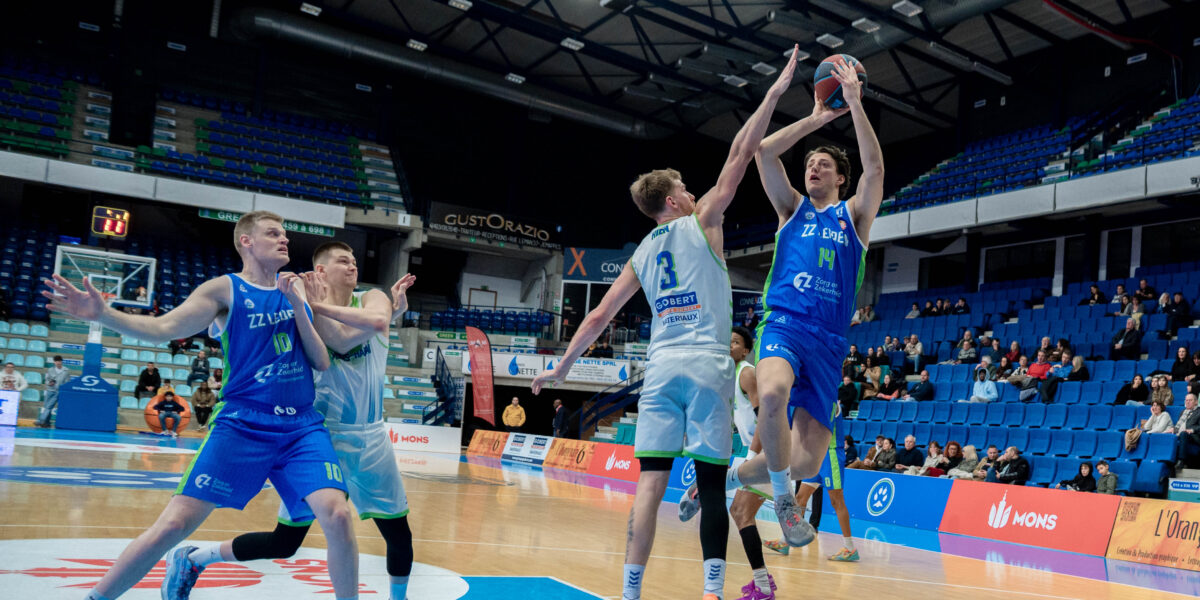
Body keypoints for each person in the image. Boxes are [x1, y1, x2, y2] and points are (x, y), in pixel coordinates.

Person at [532, 53, 802, 600]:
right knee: (708, 484)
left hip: (659, 370)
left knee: (649, 487)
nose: (696, 190)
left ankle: (630, 592)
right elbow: (741, 152)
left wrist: (561, 366)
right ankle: (711, 592)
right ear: (675, 198)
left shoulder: (642, 251)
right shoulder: (703, 223)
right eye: (687, 185)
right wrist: (773, 93)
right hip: (706, 366)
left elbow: (599, 316)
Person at [42, 210, 361, 600]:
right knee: (175, 525)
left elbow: (321, 360)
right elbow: (163, 329)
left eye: (285, 234)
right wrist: (104, 314)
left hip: (301, 427)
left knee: (339, 515)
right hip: (243, 423)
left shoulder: (294, 290)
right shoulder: (223, 291)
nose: (285, 240)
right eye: (273, 233)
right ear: (246, 241)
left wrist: (302, 304)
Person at [688, 52, 884, 553]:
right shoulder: (791, 209)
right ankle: (783, 501)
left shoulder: (854, 217)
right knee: (771, 395)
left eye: (823, 164)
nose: (814, 167)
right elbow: (765, 153)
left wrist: (855, 105)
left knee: (806, 464)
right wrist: (816, 120)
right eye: (810, 164)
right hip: (786, 323)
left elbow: (876, 169)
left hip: (830, 342)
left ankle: (724, 475)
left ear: (840, 178)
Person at [174, 242, 418, 600]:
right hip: (315, 438)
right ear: (319, 271)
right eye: (342, 261)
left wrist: (312, 306)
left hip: (371, 439)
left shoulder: (370, 299)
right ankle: (196, 558)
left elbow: (374, 323)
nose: (352, 266)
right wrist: (301, 308)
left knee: (398, 532)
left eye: (354, 261)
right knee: (285, 541)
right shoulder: (294, 311)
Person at [36, 355, 70, 427]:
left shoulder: (66, 371)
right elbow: (47, 379)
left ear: (61, 362)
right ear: (54, 362)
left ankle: (40, 420)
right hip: (50, 390)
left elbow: (67, 382)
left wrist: (62, 389)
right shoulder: (50, 370)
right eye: (56, 361)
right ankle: (47, 423)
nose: (58, 363)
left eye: (59, 361)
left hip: (58, 391)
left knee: (48, 406)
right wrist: (49, 383)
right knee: (47, 407)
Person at [1171, 394, 1200, 469]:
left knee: (1183, 433)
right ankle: (1168, 462)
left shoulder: (1199, 412)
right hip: (1180, 433)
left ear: (1196, 402)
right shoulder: (1183, 412)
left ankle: (1181, 461)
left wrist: (1192, 430)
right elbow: (1178, 425)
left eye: (1190, 400)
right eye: (1186, 400)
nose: (1187, 402)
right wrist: (1173, 429)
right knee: (1168, 435)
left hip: (1194, 436)